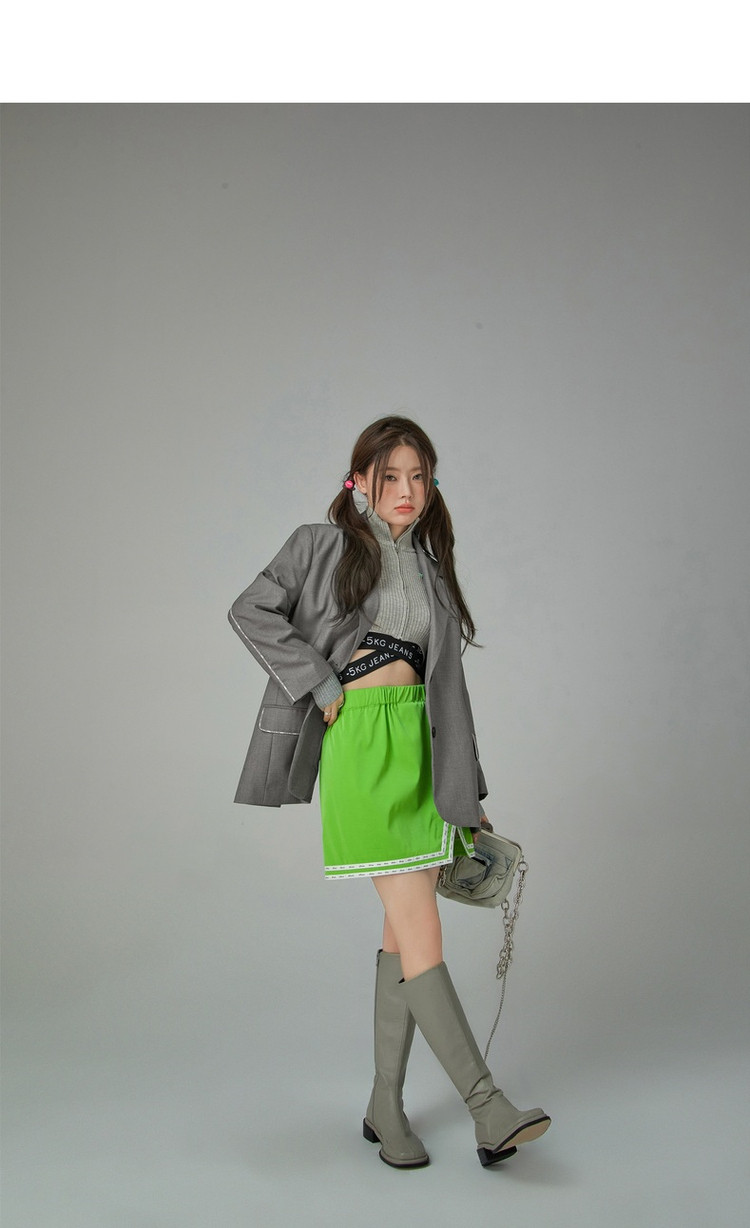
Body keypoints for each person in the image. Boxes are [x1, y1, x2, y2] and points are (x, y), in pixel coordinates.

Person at [228, 415, 550, 1169]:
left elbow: (450, 693)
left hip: (422, 753)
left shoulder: (431, 570)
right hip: (364, 748)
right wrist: (319, 684)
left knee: (400, 936)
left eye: (419, 477)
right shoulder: (321, 545)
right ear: (360, 482)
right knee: (420, 925)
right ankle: (487, 1107)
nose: (406, 490)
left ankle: (384, 1106)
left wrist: (466, 789)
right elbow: (250, 610)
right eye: (391, 476)